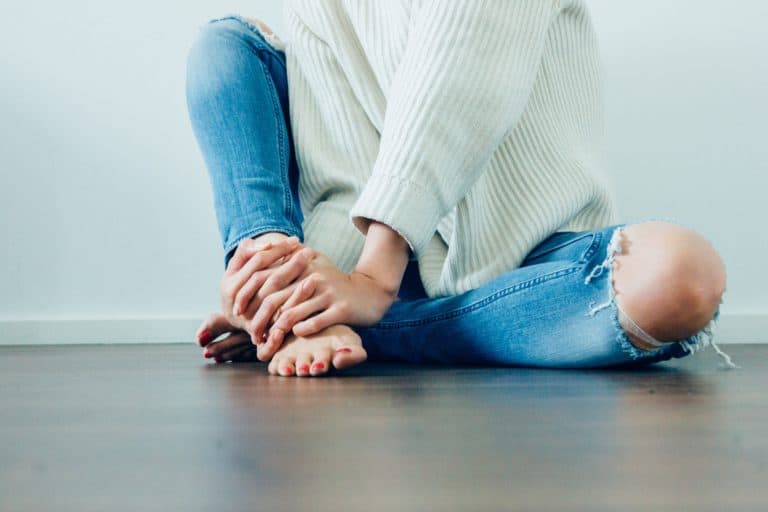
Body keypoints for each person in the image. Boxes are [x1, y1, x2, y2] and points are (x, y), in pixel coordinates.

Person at [185, 2, 734, 377]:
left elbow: (457, 77)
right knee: (226, 48)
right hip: (382, 261)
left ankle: (374, 331)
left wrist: (372, 283)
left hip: (529, 258)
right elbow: (342, 166)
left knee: (682, 274)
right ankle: (271, 294)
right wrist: (308, 289)